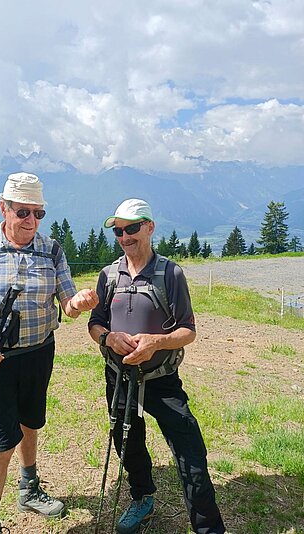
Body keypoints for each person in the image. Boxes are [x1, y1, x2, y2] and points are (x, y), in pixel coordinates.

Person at [0, 172, 98, 534]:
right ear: (4, 208)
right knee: (0, 445)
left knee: (31, 422)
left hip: (39, 353)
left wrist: (77, 304)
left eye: (38, 213)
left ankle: (29, 487)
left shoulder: (52, 251)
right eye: (23, 212)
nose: (31, 220)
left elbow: (67, 302)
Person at [88, 199, 226, 534]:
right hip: (120, 379)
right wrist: (107, 338)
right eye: (119, 231)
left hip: (161, 380)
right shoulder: (108, 275)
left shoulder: (170, 273)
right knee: (128, 443)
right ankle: (142, 497)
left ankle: (208, 528)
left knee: (190, 455)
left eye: (132, 228)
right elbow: (95, 323)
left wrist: (155, 342)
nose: (125, 237)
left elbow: (188, 331)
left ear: (150, 227)